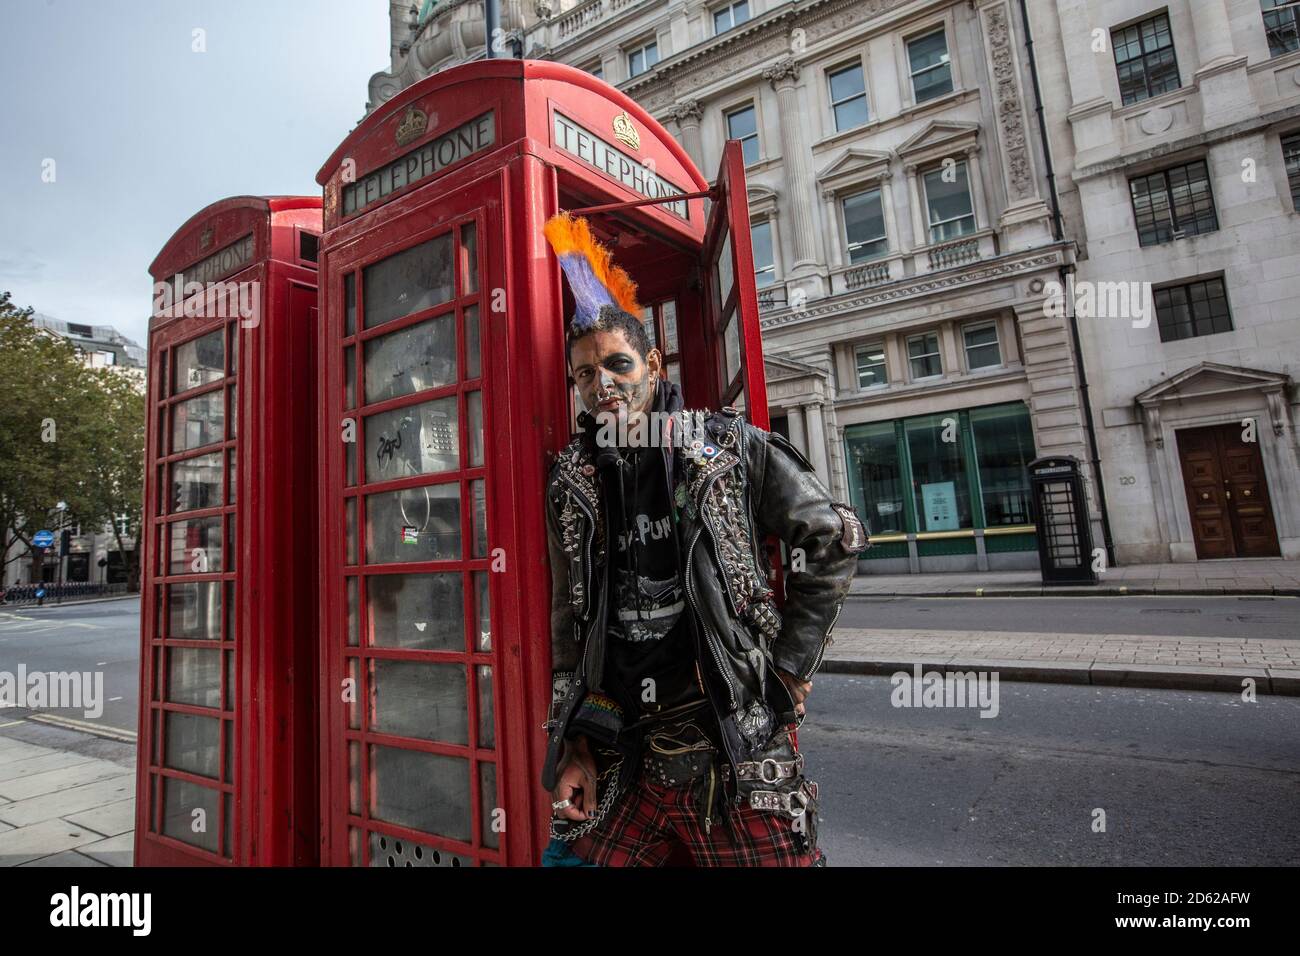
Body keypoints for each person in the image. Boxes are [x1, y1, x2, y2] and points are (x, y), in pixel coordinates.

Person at [539, 213, 868, 867]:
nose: (601, 386)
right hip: (625, 752)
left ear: (653, 365)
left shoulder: (728, 447)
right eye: (582, 375)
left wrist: (792, 667)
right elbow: (569, 621)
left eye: (617, 365)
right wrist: (571, 741)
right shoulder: (572, 481)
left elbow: (832, 536)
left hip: (736, 742)